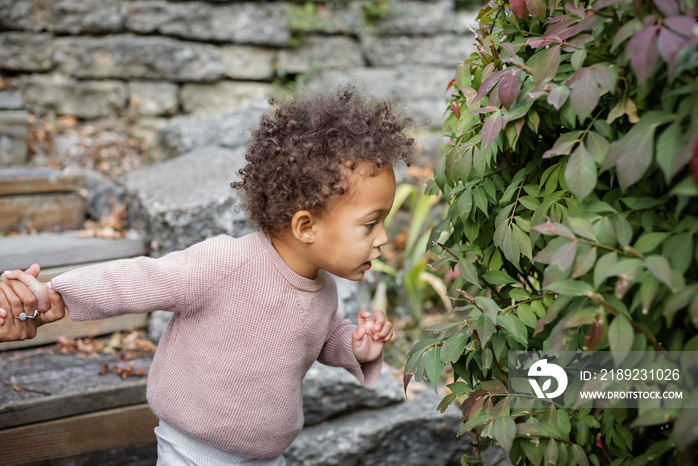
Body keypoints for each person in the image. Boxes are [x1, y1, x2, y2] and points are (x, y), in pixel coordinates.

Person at [0, 85, 414, 465]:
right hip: (194, 452)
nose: (382, 240)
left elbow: (320, 336)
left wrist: (353, 347)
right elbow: (137, 279)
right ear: (306, 227)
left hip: (268, 456)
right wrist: (56, 297)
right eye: (370, 224)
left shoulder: (322, 290)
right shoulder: (223, 264)